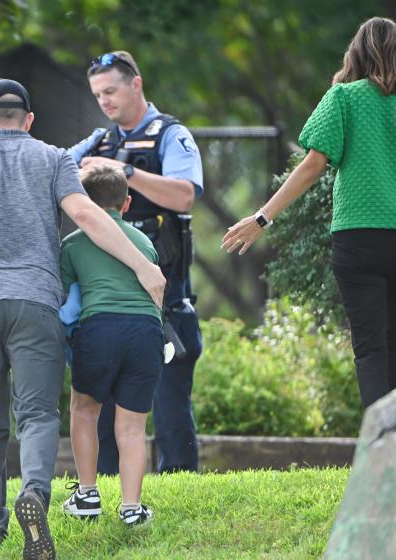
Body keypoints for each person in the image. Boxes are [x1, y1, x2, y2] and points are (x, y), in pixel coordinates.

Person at [0, 78, 165, 560]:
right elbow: (87, 217)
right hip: (34, 301)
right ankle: (35, 496)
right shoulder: (53, 158)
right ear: (28, 119)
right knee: (39, 414)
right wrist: (143, 265)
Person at [223, 17, 396, 411]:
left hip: (359, 238)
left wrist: (262, 217)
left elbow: (313, 165)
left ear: (357, 53)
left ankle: (383, 455)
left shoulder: (344, 99)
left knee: (371, 350)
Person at [69, 50, 204, 474]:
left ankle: (179, 480)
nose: (104, 101)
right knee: (104, 399)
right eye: (97, 94)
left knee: (168, 398)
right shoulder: (97, 141)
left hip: (162, 293)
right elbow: (52, 172)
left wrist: (124, 171)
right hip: (104, 297)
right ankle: (107, 486)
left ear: (136, 84)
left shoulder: (170, 135)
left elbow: (185, 195)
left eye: (111, 90)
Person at [60, 165, 162, 526]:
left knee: (84, 409)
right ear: (127, 202)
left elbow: (69, 302)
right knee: (132, 427)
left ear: (82, 203)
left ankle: (88, 494)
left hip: (100, 327)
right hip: (148, 331)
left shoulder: (71, 245)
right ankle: (132, 508)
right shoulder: (144, 242)